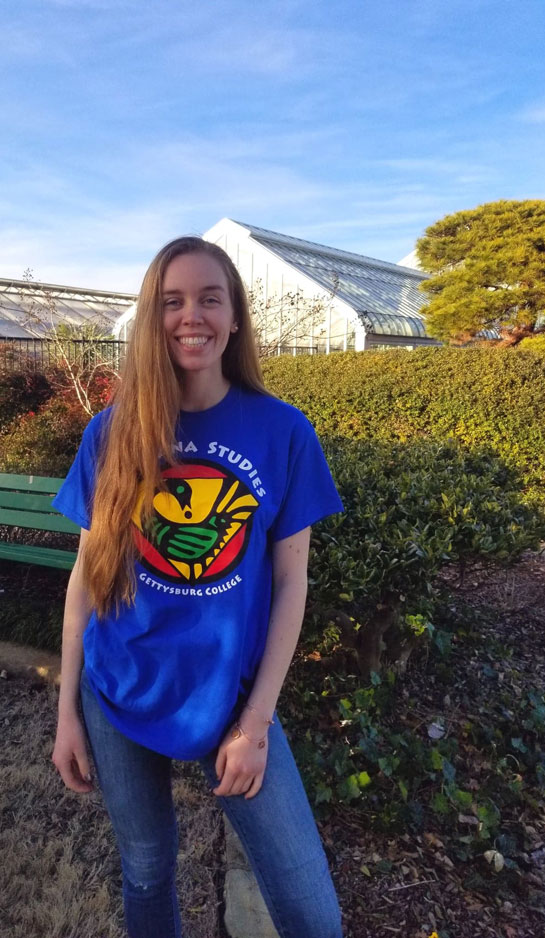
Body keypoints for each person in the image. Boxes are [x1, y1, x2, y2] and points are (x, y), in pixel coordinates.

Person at [50, 236, 345, 938]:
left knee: (311, 910)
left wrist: (256, 723)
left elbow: (291, 579)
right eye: (171, 301)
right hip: (117, 686)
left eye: (210, 298)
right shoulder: (111, 433)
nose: (192, 316)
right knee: (148, 870)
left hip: (230, 702)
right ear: (152, 320)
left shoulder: (283, 432)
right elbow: (87, 579)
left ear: (236, 316)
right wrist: (66, 709)